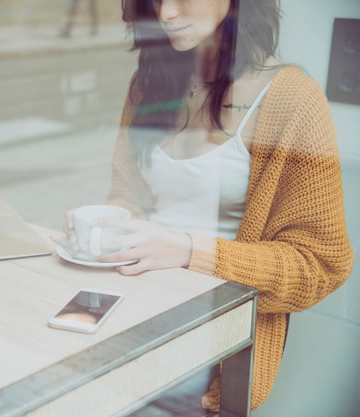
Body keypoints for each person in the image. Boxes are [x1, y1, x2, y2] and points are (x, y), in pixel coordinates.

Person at [65, 0, 354, 414]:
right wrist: (112, 221)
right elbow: (129, 191)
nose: (165, 14)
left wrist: (187, 250)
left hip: (208, 345)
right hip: (126, 312)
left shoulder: (292, 99)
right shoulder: (149, 82)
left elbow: (319, 265)